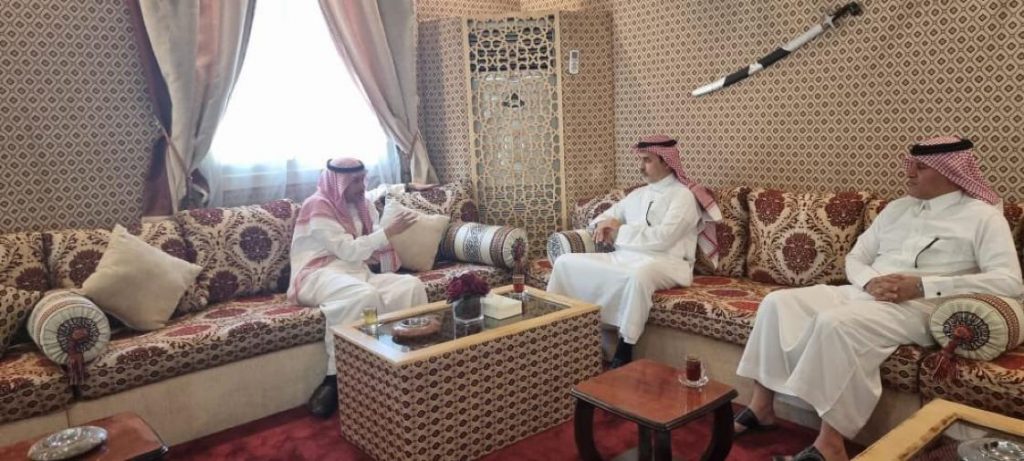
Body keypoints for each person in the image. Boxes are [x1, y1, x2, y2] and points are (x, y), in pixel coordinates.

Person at [734, 136, 1023, 461]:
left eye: (921, 167)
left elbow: (1010, 281)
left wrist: (924, 287)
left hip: (920, 307)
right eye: (910, 165)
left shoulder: (983, 217)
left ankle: (830, 445)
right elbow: (856, 257)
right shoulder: (897, 209)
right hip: (862, 292)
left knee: (836, 324)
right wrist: (870, 282)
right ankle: (762, 407)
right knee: (777, 303)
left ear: (951, 172)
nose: (909, 173)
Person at [546, 135, 722, 367]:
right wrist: (604, 224)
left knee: (638, 277)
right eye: (640, 160)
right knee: (565, 262)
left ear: (667, 163)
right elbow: (604, 218)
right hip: (624, 257)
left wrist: (619, 231)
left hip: (667, 262)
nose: (641, 166)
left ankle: (625, 346)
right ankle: (557, 328)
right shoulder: (638, 194)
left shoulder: (683, 196)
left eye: (647, 160)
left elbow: (664, 238)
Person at [288, 157, 434, 417]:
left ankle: (410, 360)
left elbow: (378, 212)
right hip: (317, 273)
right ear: (338, 181)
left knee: (410, 285)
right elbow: (348, 250)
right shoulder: (317, 206)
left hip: (357, 272)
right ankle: (335, 378)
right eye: (354, 181)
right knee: (363, 296)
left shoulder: (362, 203)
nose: (361, 185)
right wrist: (387, 233)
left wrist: (408, 188)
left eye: (362, 178)